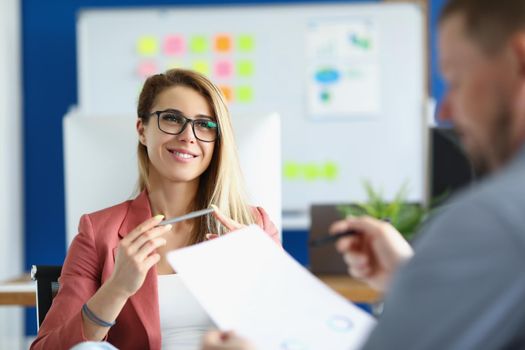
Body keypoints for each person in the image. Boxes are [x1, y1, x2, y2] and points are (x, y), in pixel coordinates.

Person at [202, 0, 525, 349]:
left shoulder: (494, 220)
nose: (444, 112)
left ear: (520, 60)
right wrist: (408, 279)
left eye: (456, 81)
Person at [30, 68, 280, 350]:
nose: (188, 136)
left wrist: (258, 277)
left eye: (205, 125)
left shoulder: (254, 227)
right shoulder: (98, 232)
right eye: (172, 119)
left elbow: (293, 335)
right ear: (142, 130)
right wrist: (117, 288)